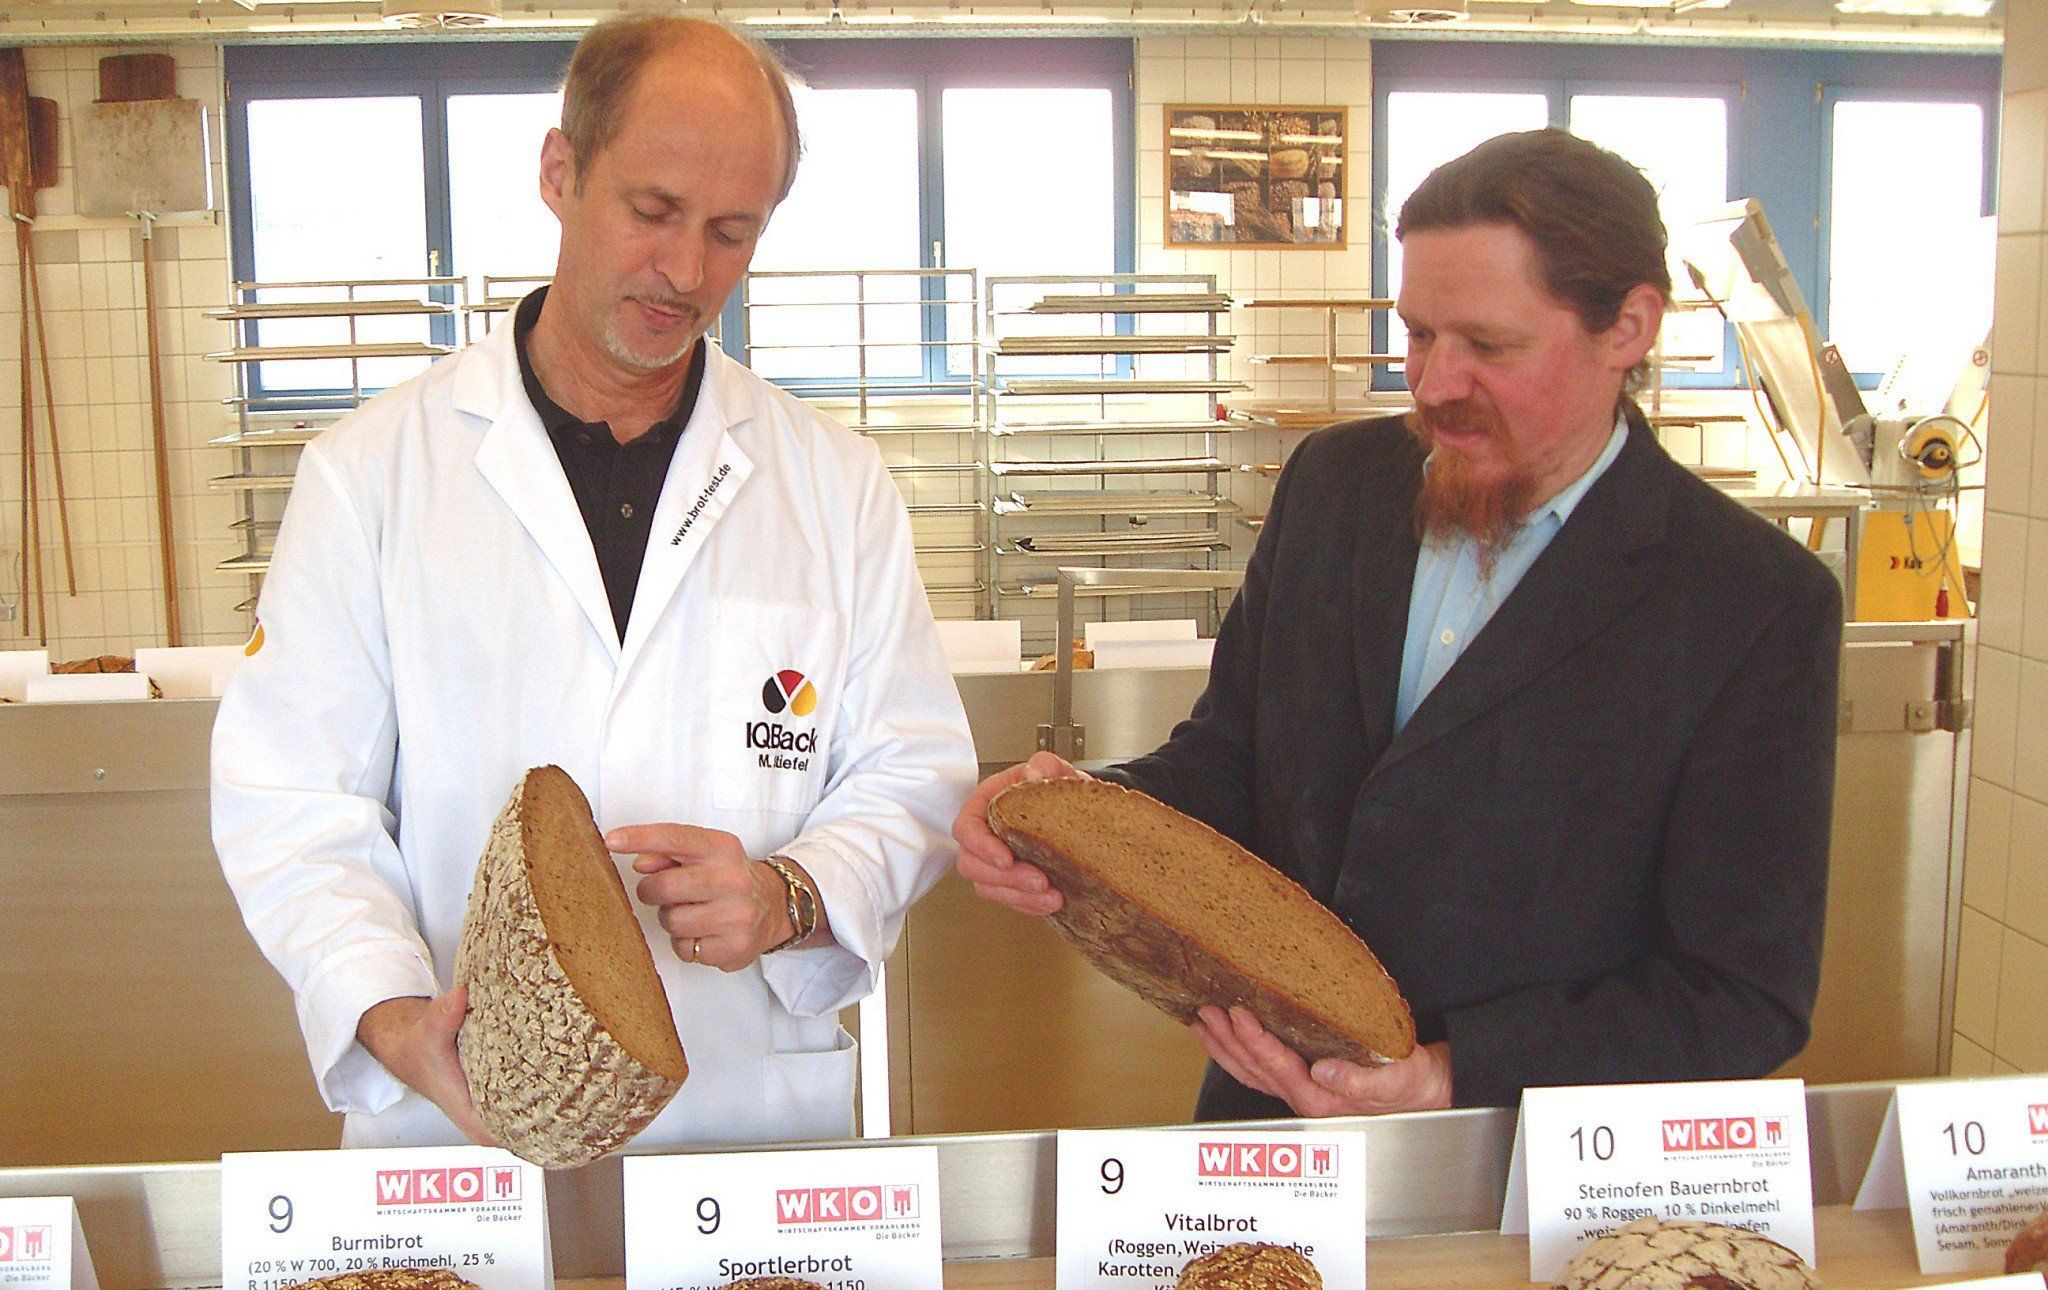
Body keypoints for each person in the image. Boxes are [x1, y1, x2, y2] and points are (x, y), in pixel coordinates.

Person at [955, 128, 1842, 1121]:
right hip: (1264, 1112)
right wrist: (1081, 817)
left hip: (1516, 1163)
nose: (1432, 384)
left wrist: (1448, 1075)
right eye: (1417, 335)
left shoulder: (1746, 602)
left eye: (1488, 347)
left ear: (1626, 328)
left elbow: (1740, 998)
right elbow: (1234, 760)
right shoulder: (1335, 489)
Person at [212, 16, 976, 1150]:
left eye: (730, 232)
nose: (684, 272)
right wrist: (385, 1011)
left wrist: (793, 893)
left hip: (742, 1113)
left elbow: (910, 773)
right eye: (652, 212)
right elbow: (294, 804)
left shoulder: (831, 484)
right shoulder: (373, 476)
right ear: (560, 173)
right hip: (465, 1113)